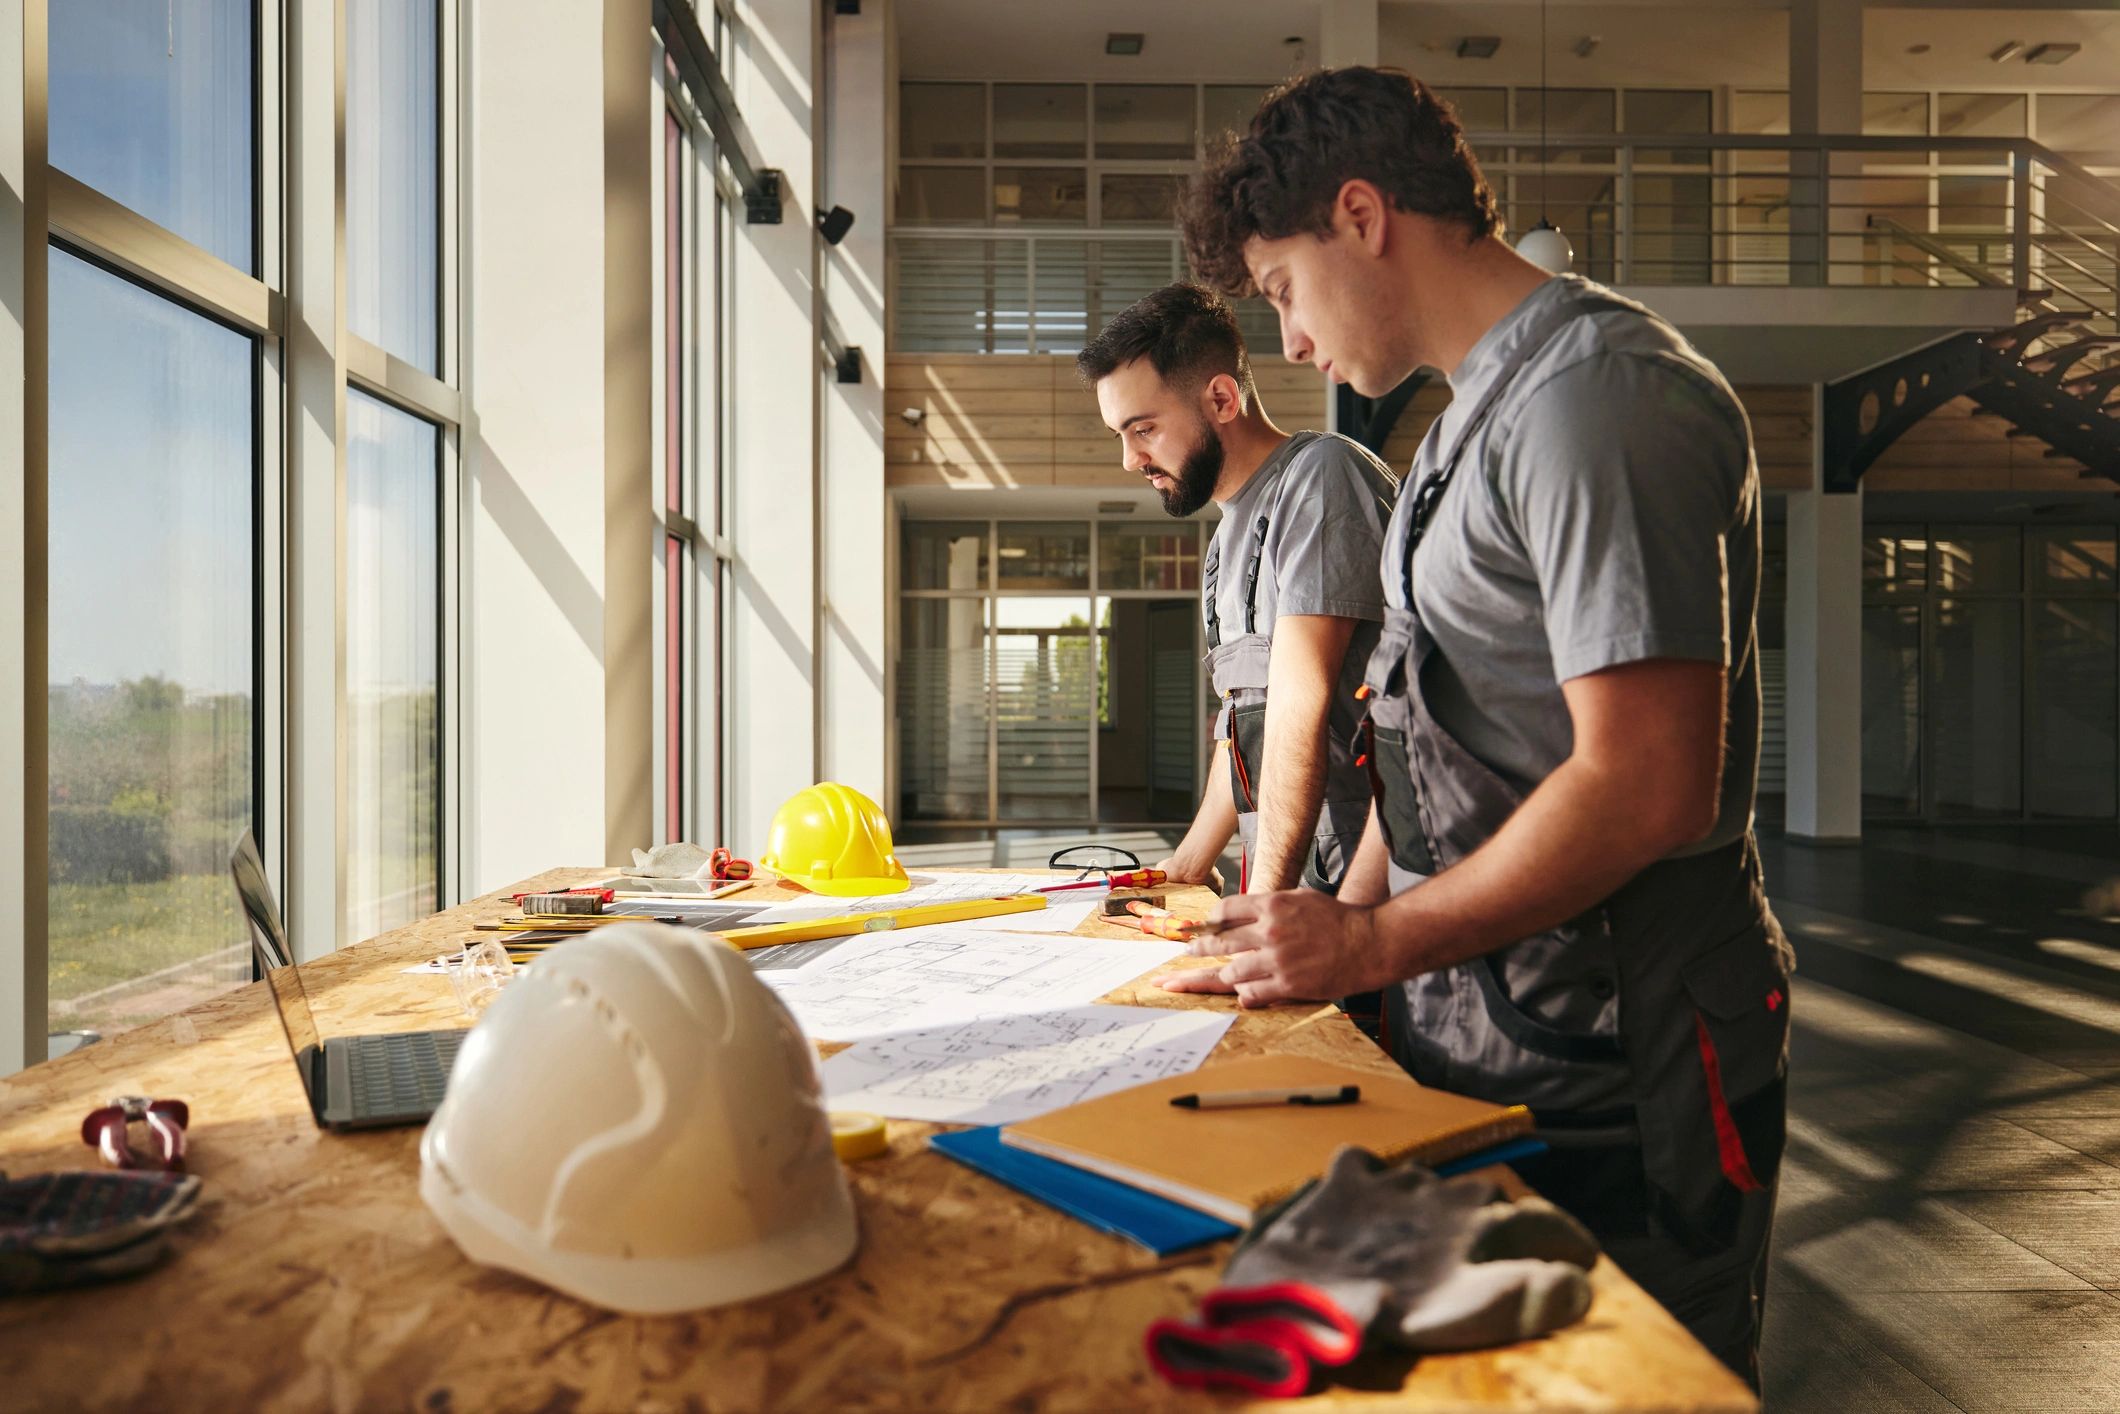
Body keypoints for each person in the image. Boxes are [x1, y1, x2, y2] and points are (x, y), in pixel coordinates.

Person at [1165, 67, 1793, 1389]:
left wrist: (1373, 937)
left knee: (1624, 1374)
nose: (1284, 341)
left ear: (1360, 215)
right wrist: (1327, 938)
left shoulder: (1597, 397)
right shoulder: (1466, 426)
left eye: (1281, 289)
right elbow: (1420, 737)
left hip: (1630, 1037)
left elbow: (1648, 783)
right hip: (1496, 1009)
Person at [1077, 283, 1395, 896]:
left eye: (1142, 428)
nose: (1129, 458)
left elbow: (1299, 706)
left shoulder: (1321, 478)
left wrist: (1264, 904)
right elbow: (1244, 723)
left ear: (1221, 397)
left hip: (1360, 889)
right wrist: (1189, 863)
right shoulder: (1224, 542)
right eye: (1119, 433)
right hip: (1290, 878)